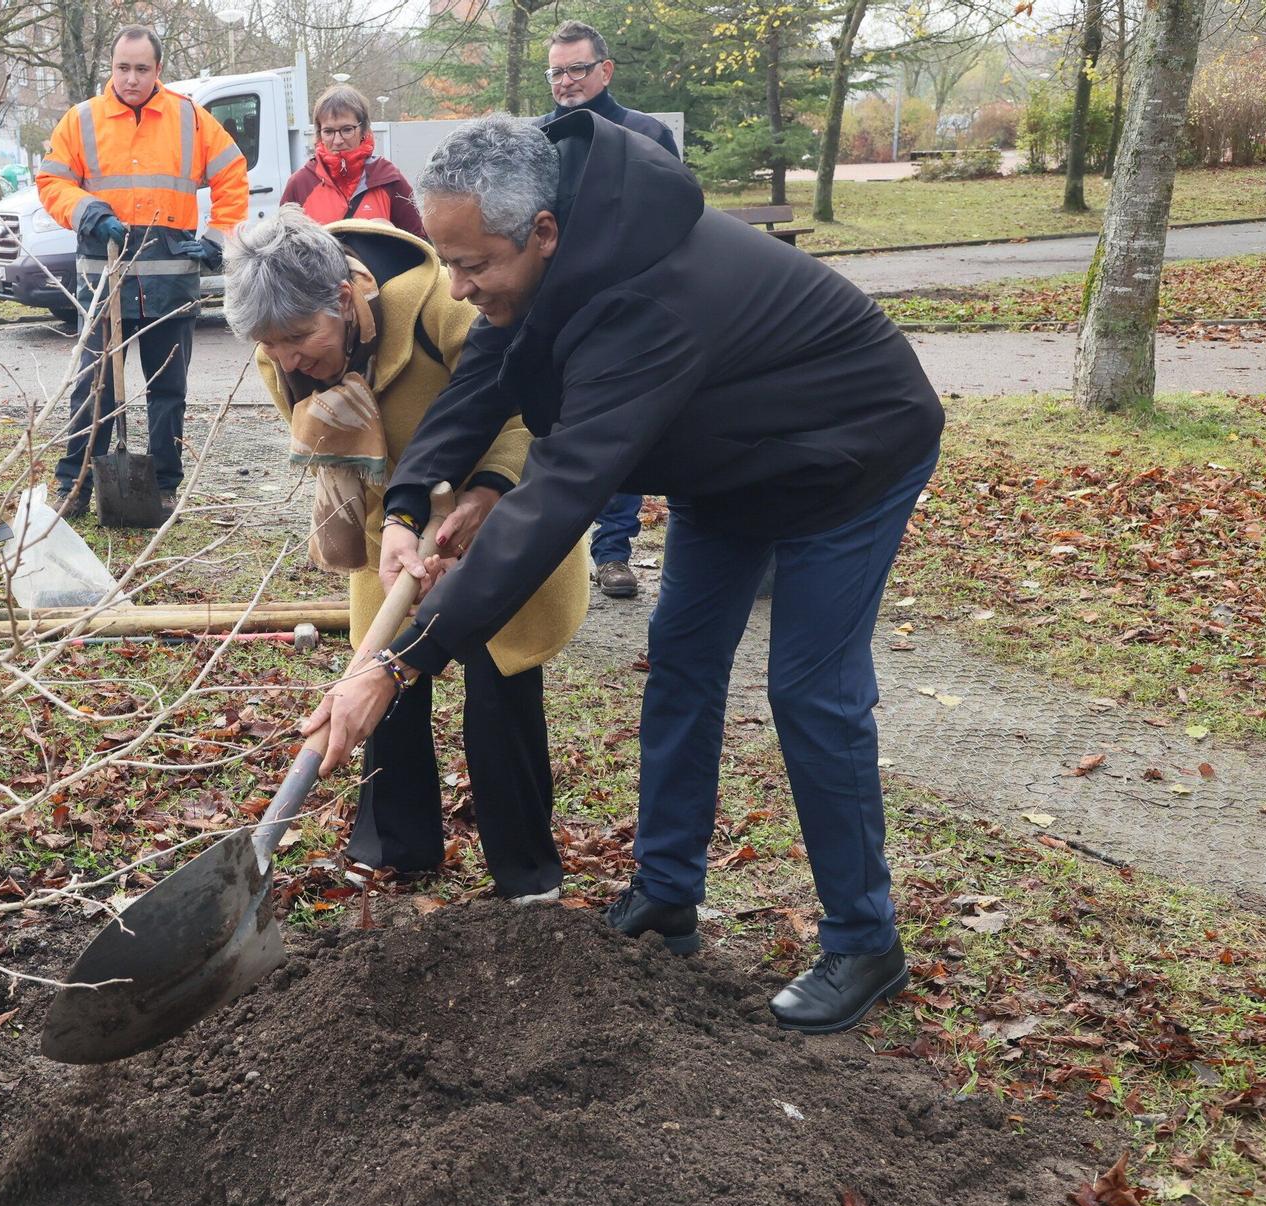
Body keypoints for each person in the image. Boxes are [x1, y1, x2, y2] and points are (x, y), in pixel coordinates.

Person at [301, 114, 943, 1036]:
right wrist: (407, 506)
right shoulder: (536, 264)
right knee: (680, 660)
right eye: (448, 261)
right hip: (729, 465)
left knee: (810, 691)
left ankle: (864, 938)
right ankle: (667, 896)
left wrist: (399, 663)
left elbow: (558, 498)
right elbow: (483, 380)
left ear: (544, 233)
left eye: (474, 264)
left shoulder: (646, 294)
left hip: (850, 455)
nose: (456, 285)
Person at [226, 211, 587, 900]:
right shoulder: (280, 348)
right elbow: (333, 446)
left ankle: (525, 872)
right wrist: (398, 528)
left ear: (344, 297)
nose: (290, 359)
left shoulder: (442, 308)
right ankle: (397, 846)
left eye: (301, 339)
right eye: (274, 347)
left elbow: (529, 415)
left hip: (499, 510)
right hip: (386, 526)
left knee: (497, 691)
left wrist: (481, 497)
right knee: (381, 687)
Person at [36, 26, 249, 519]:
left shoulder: (189, 119)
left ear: (158, 70)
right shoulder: (81, 120)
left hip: (171, 282)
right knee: (95, 390)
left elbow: (232, 174)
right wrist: (88, 211)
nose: (131, 78)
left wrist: (218, 240)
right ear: (111, 67)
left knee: (167, 391)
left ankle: (163, 484)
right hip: (103, 283)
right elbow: (52, 182)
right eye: (123, 68)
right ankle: (76, 485)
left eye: (142, 69)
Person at [539, 20, 678, 604]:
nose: (566, 82)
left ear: (605, 70)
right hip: (560, 311)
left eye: (577, 69)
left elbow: (674, 219)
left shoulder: (645, 135)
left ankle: (614, 552)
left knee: (623, 431)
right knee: (555, 432)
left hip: (629, 310)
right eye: (557, 72)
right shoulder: (538, 138)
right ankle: (547, 556)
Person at [280, 86, 425, 239]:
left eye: (347, 129)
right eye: (328, 132)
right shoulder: (300, 184)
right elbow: (281, 250)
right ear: (319, 134)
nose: (338, 140)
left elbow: (419, 244)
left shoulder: (389, 179)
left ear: (363, 130)